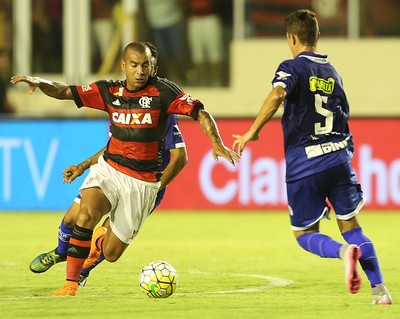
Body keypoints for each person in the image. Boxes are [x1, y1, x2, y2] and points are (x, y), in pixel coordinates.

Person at [11, 41, 240, 297]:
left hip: (141, 183)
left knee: (111, 253)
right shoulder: (109, 91)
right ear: (124, 66)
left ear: (153, 67)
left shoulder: (164, 95)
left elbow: (200, 112)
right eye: (134, 65)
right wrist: (39, 81)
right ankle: (70, 284)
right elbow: (65, 91)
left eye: (145, 65)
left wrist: (216, 142)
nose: (140, 71)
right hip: (109, 169)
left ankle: (96, 243)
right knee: (84, 215)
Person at [232, 9, 392, 305]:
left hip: (305, 163)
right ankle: (380, 291)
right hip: (338, 159)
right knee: (353, 227)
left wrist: (252, 131)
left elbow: (278, 94)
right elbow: (344, 116)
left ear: (290, 37)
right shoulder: (333, 72)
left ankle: (344, 253)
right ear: (317, 36)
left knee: (304, 234)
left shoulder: (291, 67)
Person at [30, 113, 188, 288]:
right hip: (112, 174)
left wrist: (153, 189)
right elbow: (112, 148)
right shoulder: (122, 106)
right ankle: (61, 252)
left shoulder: (162, 111)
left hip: (142, 186)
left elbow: (180, 157)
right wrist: (83, 165)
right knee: (71, 219)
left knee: (111, 250)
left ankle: (84, 270)